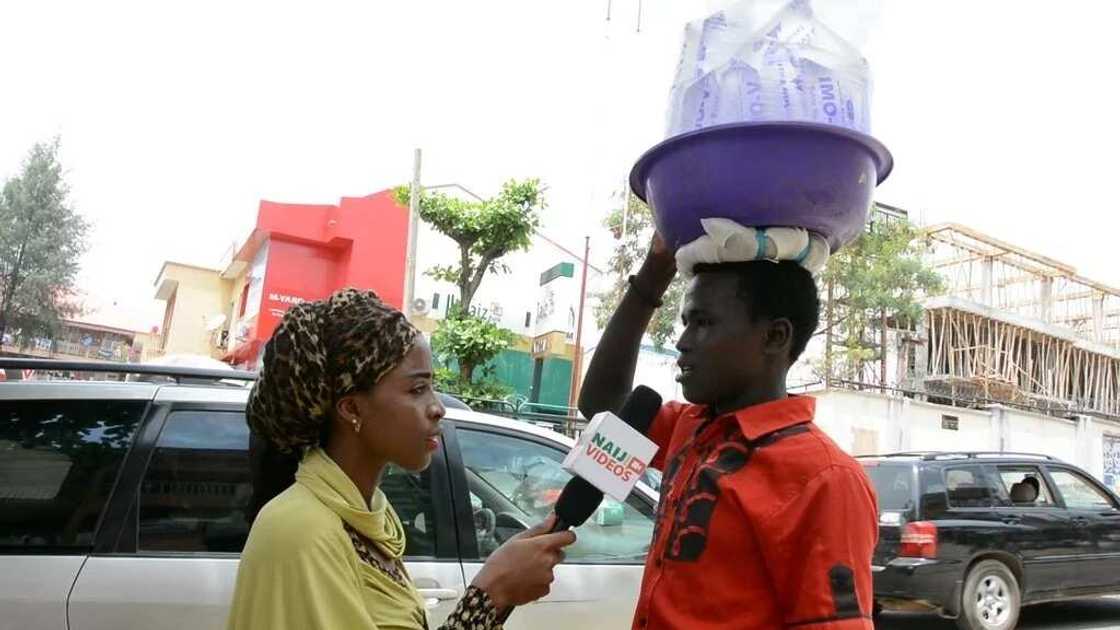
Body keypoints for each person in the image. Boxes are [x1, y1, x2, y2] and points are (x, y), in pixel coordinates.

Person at [227, 288, 575, 630]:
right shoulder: (302, 532)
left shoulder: (367, 520)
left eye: (432, 387)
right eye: (416, 389)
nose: (438, 408)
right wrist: (493, 591)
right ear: (351, 408)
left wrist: (494, 589)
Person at [579, 236, 879, 629]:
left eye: (703, 323)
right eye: (686, 323)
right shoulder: (688, 427)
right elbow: (602, 407)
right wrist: (654, 274)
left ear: (775, 337)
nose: (683, 342)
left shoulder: (826, 480)